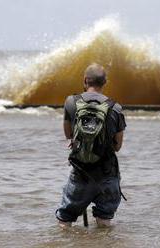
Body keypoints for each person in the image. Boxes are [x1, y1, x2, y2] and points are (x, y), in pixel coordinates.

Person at [55, 63, 126, 228]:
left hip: (81, 172)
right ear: (105, 82)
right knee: (104, 221)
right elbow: (117, 146)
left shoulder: (71, 102)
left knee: (65, 220)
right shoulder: (115, 108)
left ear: (85, 80)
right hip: (107, 172)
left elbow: (68, 135)